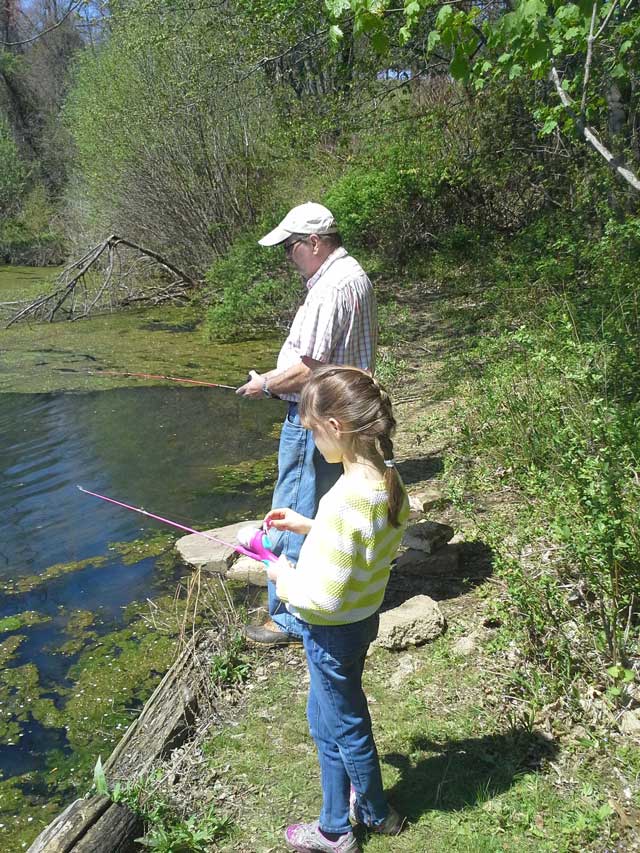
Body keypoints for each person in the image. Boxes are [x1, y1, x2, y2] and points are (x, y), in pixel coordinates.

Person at [263, 365, 410, 852]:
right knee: (326, 716)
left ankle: (349, 823)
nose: (310, 437)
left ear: (336, 427)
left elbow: (321, 595)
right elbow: (364, 544)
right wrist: (309, 526)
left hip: (330, 629)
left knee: (344, 723)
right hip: (359, 621)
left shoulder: (347, 497)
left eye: (311, 429)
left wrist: (284, 578)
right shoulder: (386, 481)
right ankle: (352, 806)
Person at [236, 202, 377, 645]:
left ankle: (287, 617)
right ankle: (330, 589)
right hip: (344, 415)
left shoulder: (330, 287)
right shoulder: (353, 274)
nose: (287, 256)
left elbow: (309, 367)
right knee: (323, 504)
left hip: (314, 417)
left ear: (314, 243)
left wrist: (265, 385)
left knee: (292, 506)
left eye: (291, 247)